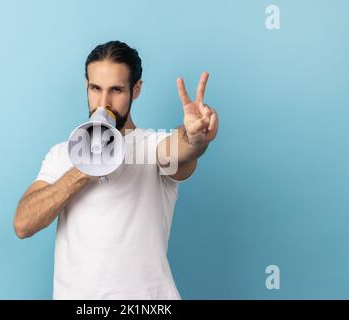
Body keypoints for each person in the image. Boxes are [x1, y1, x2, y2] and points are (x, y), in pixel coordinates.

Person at [13, 40, 219, 299]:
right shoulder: (62, 154)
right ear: (86, 86)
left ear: (136, 89)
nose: (103, 102)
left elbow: (183, 149)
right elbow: (23, 224)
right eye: (95, 88)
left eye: (117, 90)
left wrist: (195, 137)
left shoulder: (152, 147)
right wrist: (83, 168)